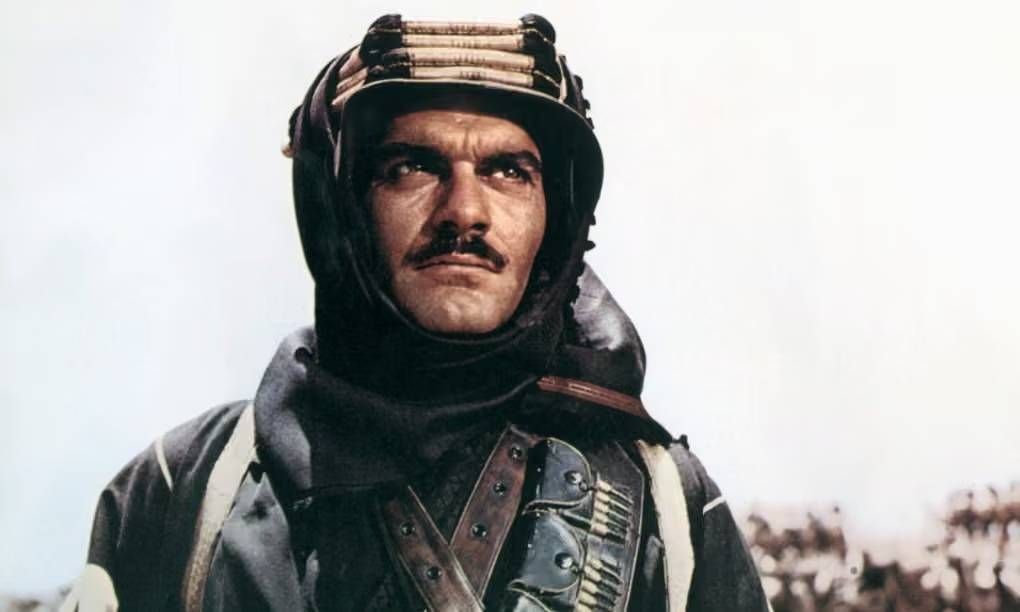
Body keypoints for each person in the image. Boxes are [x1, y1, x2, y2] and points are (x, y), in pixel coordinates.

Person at [62, 14, 769, 612]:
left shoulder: (667, 504)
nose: (464, 212)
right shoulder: (185, 490)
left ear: (555, 219)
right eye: (411, 167)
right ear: (341, 208)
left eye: (508, 172)